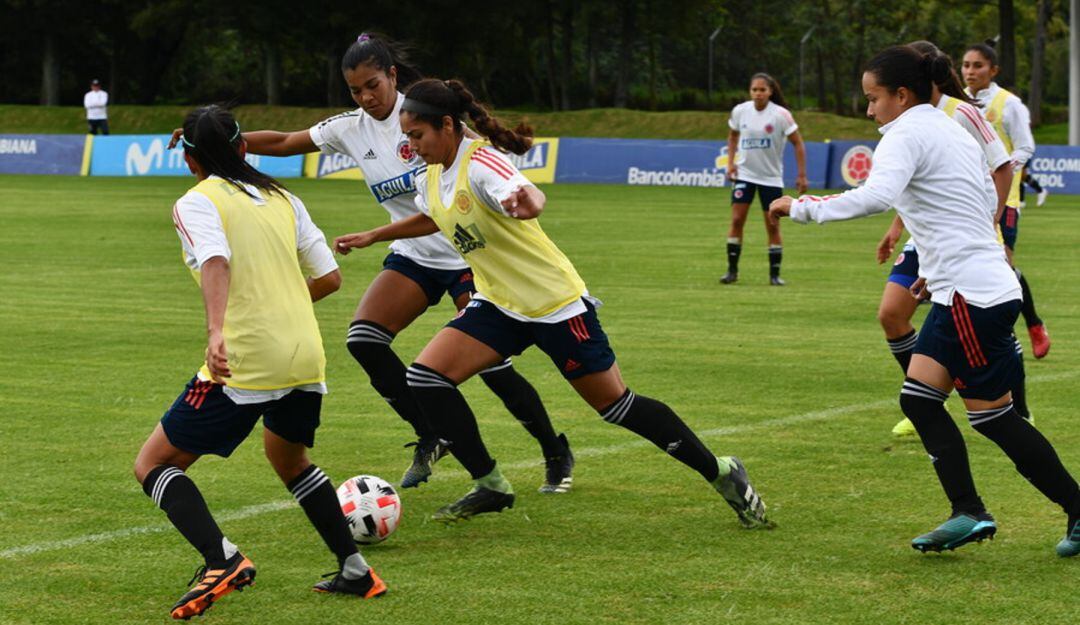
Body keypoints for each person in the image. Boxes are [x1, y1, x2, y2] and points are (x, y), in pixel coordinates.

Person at [333, 78, 772, 529]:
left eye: (417, 136)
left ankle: (721, 472)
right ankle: (491, 483)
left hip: (553, 305)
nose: (410, 146)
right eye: (406, 137)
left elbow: (521, 191)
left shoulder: (482, 161)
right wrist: (375, 235)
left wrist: (528, 200)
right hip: (499, 304)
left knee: (615, 406)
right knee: (426, 378)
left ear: (447, 125)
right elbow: (431, 216)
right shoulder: (429, 172)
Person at [186, 34, 575, 493]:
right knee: (364, 339)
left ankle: (554, 449)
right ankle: (431, 432)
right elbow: (289, 140)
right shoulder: (351, 128)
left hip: (466, 253)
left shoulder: (427, 115)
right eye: (355, 90)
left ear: (393, 76)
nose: (366, 98)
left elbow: (483, 161)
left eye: (373, 85)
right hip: (413, 255)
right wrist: (217, 140)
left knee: (491, 365)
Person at [769, 45, 1080, 557]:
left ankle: (1072, 507)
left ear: (901, 94)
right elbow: (981, 200)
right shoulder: (946, 126)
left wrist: (800, 207)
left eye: (873, 99)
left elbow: (874, 195)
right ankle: (968, 511)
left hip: (971, 300)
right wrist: (936, 273)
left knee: (995, 418)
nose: (869, 110)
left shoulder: (907, 132)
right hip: (963, 291)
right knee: (917, 399)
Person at [135, 105, 386, 620]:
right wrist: (282, 307)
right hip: (305, 355)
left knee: (154, 464)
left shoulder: (196, 201)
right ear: (244, 147)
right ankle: (356, 569)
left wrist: (215, 331)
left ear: (188, 160)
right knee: (289, 461)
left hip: (249, 356)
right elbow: (330, 277)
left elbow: (216, 260)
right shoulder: (284, 198)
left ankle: (220, 560)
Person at [874, 41, 1028, 439]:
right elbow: (907, 184)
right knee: (892, 312)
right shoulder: (907, 121)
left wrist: (989, 222)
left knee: (989, 320)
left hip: (968, 233)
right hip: (925, 235)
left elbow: (1002, 166)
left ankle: (1014, 405)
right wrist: (896, 229)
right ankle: (923, 398)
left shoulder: (961, 113)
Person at [963, 41, 1051, 359]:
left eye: (978, 65)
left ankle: (1028, 327)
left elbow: (1025, 147)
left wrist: (1001, 169)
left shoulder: (1008, 104)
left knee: (1001, 267)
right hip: (968, 197)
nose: (970, 71)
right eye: (966, 65)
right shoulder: (956, 103)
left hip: (1005, 198)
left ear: (993, 70)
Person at [721, 73, 808, 286]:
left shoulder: (781, 115)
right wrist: (730, 163)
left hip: (770, 178)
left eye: (762, 90)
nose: (758, 94)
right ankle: (732, 272)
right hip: (745, 175)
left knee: (772, 225)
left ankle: (774, 275)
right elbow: (733, 137)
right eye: (754, 90)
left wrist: (802, 175)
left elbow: (798, 143)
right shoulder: (741, 111)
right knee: (736, 220)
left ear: (770, 92)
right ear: (750, 92)